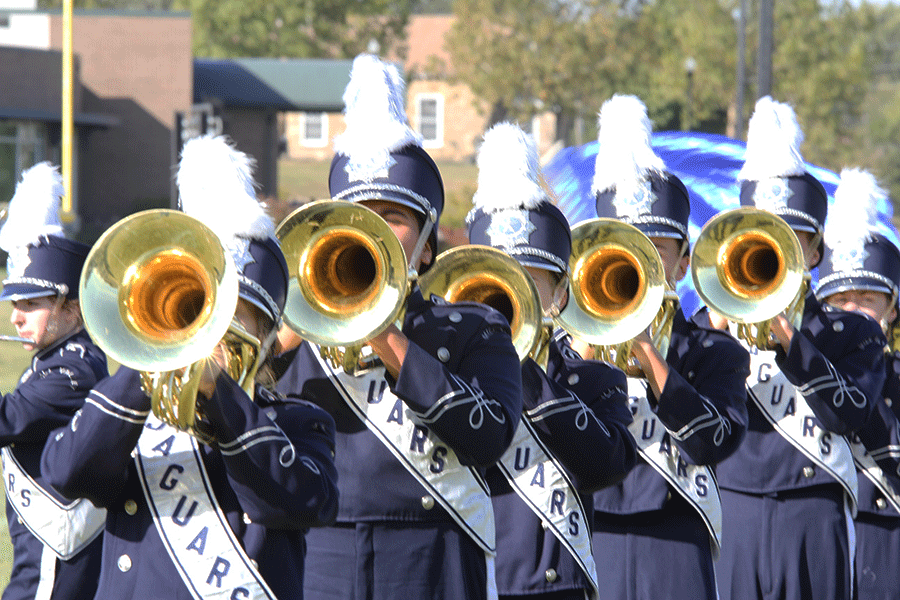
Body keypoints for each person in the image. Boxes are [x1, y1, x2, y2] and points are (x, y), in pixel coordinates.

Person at [40, 135, 339, 600]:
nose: (212, 331)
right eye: (204, 309)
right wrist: (148, 361)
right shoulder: (134, 418)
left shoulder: (300, 423)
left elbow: (296, 502)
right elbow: (66, 472)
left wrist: (220, 394)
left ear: (265, 334)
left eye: (233, 314)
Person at [274, 54, 523, 600]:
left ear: (427, 244)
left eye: (394, 218)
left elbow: (490, 435)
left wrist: (386, 336)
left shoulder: (473, 328)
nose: (375, 231)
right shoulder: (291, 332)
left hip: (434, 551)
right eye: (359, 215)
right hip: (320, 550)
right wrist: (289, 332)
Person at [711, 97, 887, 600]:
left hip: (815, 509)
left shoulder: (852, 334)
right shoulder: (708, 327)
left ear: (814, 252)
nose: (778, 247)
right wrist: (721, 329)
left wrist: (788, 335)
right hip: (736, 505)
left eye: (793, 237)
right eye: (764, 235)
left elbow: (848, 412)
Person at [587, 94, 750, 600]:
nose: (643, 264)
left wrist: (649, 357)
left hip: (679, 536)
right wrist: (591, 347)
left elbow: (714, 440)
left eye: (655, 250)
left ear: (682, 264)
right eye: (627, 248)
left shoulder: (715, 352)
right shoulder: (578, 351)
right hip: (598, 532)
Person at [465, 121, 637, 600]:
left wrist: (524, 370)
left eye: (530, 279)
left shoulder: (595, 379)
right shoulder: (446, 374)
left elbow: (608, 464)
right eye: (499, 277)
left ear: (560, 292)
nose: (513, 292)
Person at [0, 162, 108, 600]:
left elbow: (8, 417)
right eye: (13, 302)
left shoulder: (74, 371)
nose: (15, 317)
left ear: (70, 307)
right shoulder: (54, 358)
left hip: (55, 569)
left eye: (31, 303)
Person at [814, 168, 900, 600]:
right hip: (821, 534)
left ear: (892, 309)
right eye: (840, 300)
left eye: (868, 300)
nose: (853, 311)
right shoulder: (798, 374)